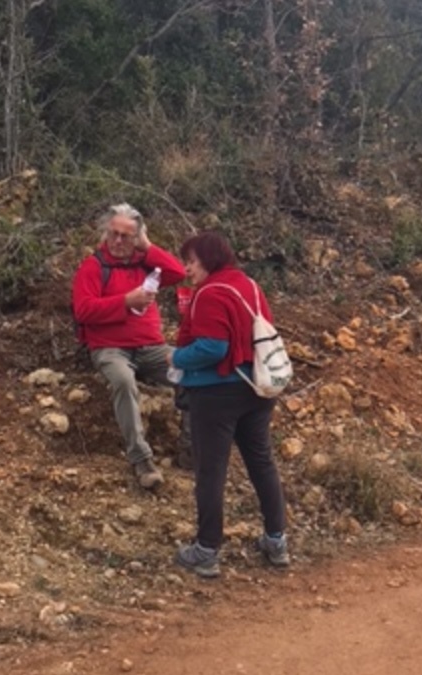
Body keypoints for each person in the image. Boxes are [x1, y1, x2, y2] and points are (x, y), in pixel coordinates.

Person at [169, 230, 289, 579]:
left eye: (192, 261)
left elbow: (213, 348)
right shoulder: (248, 285)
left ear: (208, 259)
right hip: (257, 389)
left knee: (211, 472)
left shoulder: (210, 294)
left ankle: (206, 551)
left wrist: (175, 356)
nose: (188, 269)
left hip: (216, 394)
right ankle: (276, 541)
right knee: (262, 462)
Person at [72, 203, 187, 490]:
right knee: (124, 381)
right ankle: (141, 459)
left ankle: (192, 449)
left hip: (151, 347)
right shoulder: (93, 266)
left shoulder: (144, 262)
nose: (118, 241)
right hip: (110, 348)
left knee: (191, 369)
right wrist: (125, 302)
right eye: (114, 233)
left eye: (126, 236)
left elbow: (177, 272)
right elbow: (83, 310)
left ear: (137, 237)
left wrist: (148, 247)